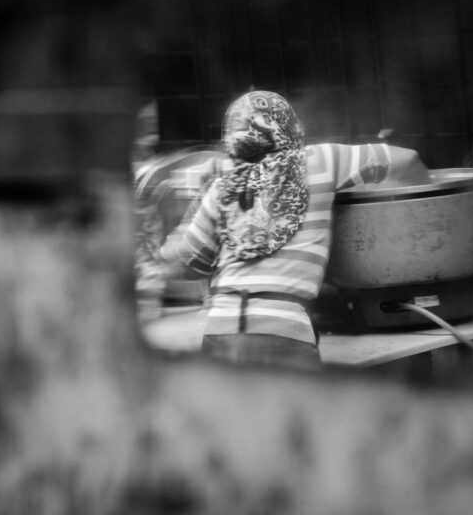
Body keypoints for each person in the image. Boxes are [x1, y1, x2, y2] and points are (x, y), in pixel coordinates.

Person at [158, 90, 431, 369]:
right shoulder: (321, 160)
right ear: (288, 125)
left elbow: (184, 264)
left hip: (220, 329)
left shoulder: (222, 187)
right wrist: (424, 216)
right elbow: (407, 160)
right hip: (285, 330)